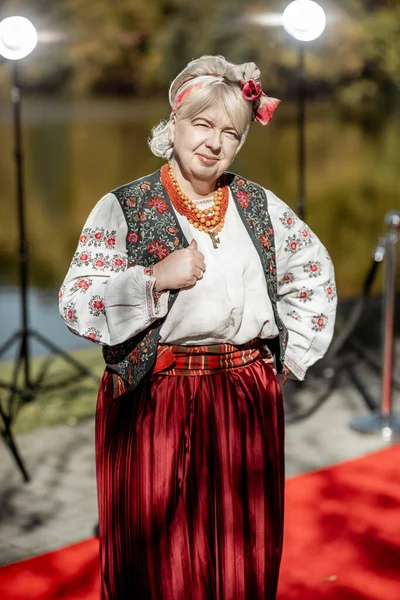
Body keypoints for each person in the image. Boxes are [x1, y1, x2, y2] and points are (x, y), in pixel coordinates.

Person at [59, 55, 337, 600]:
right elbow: (76, 302)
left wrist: (285, 360)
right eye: (202, 125)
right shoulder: (124, 207)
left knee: (242, 548)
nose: (213, 142)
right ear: (174, 125)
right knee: (161, 556)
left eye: (229, 132)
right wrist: (154, 279)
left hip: (243, 396)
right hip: (156, 399)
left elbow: (312, 272)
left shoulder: (258, 206)